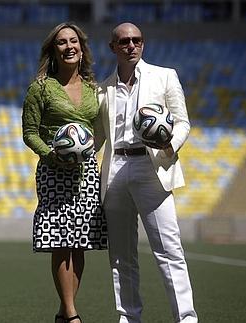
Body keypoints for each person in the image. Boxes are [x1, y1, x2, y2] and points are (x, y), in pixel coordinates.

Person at [94, 22, 198, 323]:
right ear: (113, 47)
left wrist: (168, 145)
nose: (131, 45)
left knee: (169, 248)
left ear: (143, 44)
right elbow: (99, 137)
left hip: (152, 167)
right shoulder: (103, 89)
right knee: (121, 256)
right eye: (124, 41)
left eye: (137, 40)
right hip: (115, 170)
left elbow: (182, 123)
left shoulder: (165, 77)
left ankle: (187, 319)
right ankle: (129, 318)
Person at [22, 22, 108, 323]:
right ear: (53, 50)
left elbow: (99, 133)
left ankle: (63, 311)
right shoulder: (40, 89)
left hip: (85, 174)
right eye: (62, 42)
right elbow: (30, 133)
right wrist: (52, 155)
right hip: (53, 173)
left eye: (74, 41)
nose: (69, 46)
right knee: (60, 241)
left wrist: (87, 153)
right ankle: (72, 314)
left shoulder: (94, 90)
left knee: (79, 242)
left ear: (82, 49)